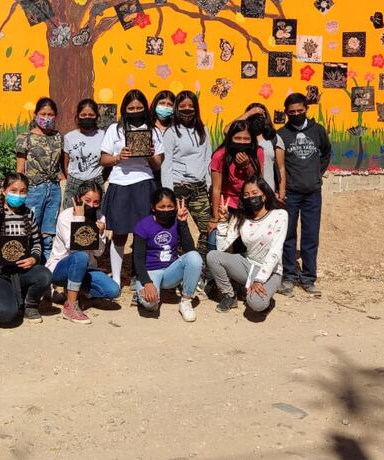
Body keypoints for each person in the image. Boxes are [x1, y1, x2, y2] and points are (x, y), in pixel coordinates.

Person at [100, 90, 164, 286]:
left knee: (142, 233)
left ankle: (140, 276)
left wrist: (151, 154)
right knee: (119, 233)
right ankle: (117, 278)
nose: (135, 111)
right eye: (131, 108)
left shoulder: (153, 131)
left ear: (145, 108)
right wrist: (119, 157)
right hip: (120, 184)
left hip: (144, 183)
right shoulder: (114, 129)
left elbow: (157, 165)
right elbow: (103, 159)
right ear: (124, 109)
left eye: (139, 107)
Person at [0, 173, 52, 326]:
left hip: (20, 271)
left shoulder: (28, 214)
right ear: (4, 191)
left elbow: (37, 243)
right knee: (6, 315)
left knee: (44, 275)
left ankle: (30, 304)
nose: (18, 195)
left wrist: (33, 258)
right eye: (13, 190)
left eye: (22, 191)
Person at [207, 177, 288, 315]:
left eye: (255, 193)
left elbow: (275, 251)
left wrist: (259, 280)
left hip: (271, 271)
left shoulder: (280, 215)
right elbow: (221, 249)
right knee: (212, 256)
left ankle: (265, 295)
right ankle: (229, 296)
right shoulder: (240, 217)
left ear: (264, 195)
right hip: (248, 265)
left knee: (256, 304)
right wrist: (222, 222)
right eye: (246, 195)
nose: (251, 197)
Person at [278, 92, 332, 298]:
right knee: (288, 236)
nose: (297, 114)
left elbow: (326, 152)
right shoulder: (281, 134)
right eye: (292, 112)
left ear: (307, 109)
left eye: (300, 111)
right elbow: (278, 164)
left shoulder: (317, 130)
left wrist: (318, 173)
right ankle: (289, 276)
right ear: (286, 113)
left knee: (310, 237)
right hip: (290, 194)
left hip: (312, 193)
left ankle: (309, 278)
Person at [46, 181, 119, 324]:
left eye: (96, 202)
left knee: (113, 291)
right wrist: (80, 219)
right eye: (88, 201)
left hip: (87, 268)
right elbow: (74, 248)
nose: (92, 205)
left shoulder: (100, 218)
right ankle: (71, 306)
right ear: (78, 199)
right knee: (80, 257)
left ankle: (78, 292)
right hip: (61, 267)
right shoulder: (65, 217)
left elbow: (98, 253)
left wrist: (100, 234)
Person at [133, 189, 202, 322]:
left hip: (171, 272)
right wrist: (147, 283)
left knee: (195, 257)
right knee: (151, 305)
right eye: (162, 207)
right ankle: (142, 292)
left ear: (175, 207)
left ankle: (186, 301)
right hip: (150, 272)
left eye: (170, 206)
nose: (166, 210)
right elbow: (138, 259)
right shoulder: (143, 225)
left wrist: (182, 223)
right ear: (153, 207)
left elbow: (190, 249)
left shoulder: (176, 221)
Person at [161, 90, 212, 257]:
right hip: (179, 187)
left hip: (200, 188)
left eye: (191, 106)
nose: (187, 110)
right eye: (183, 107)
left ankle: (203, 266)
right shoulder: (171, 132)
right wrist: (169, 192)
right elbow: (166, 163)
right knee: (180, 228)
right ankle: (182, 264)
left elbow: (208, 159)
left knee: (208, 228)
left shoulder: (203, 130)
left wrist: (209, 185)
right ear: (177, 109)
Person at [16, 97, 64, 261]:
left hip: (54, 188)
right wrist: (19, 190)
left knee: (48, 234)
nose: (47, 117)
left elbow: (62, 165)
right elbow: (20, 167)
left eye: (50, 114)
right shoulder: (25, 137)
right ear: (35, 114)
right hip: (34, 190)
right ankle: (30, 266)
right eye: (43, 113)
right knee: (30, 230)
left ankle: (47, 268)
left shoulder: (58, 137)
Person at [62, 99, 106, 209]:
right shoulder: (69, 137)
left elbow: (106, 161)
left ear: (97, 116)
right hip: (74, 184)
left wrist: (100, 179)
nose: (87, 117)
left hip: (96, 183)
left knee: (95, 218)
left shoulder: (104, 135)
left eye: (91, 115)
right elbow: (66, 163)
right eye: (84, 115)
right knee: (71, 218)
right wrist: (72, 179)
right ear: (77, 117)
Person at [244, 102, 287, 201]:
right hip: (247, 194)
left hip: (269, 194)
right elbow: (227, 131)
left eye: (259, 116)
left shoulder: (274, 138)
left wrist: (281, 194)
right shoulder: (243, 138)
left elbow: (281, 168)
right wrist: (249, 113)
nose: (256, 119)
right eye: (252, 116)